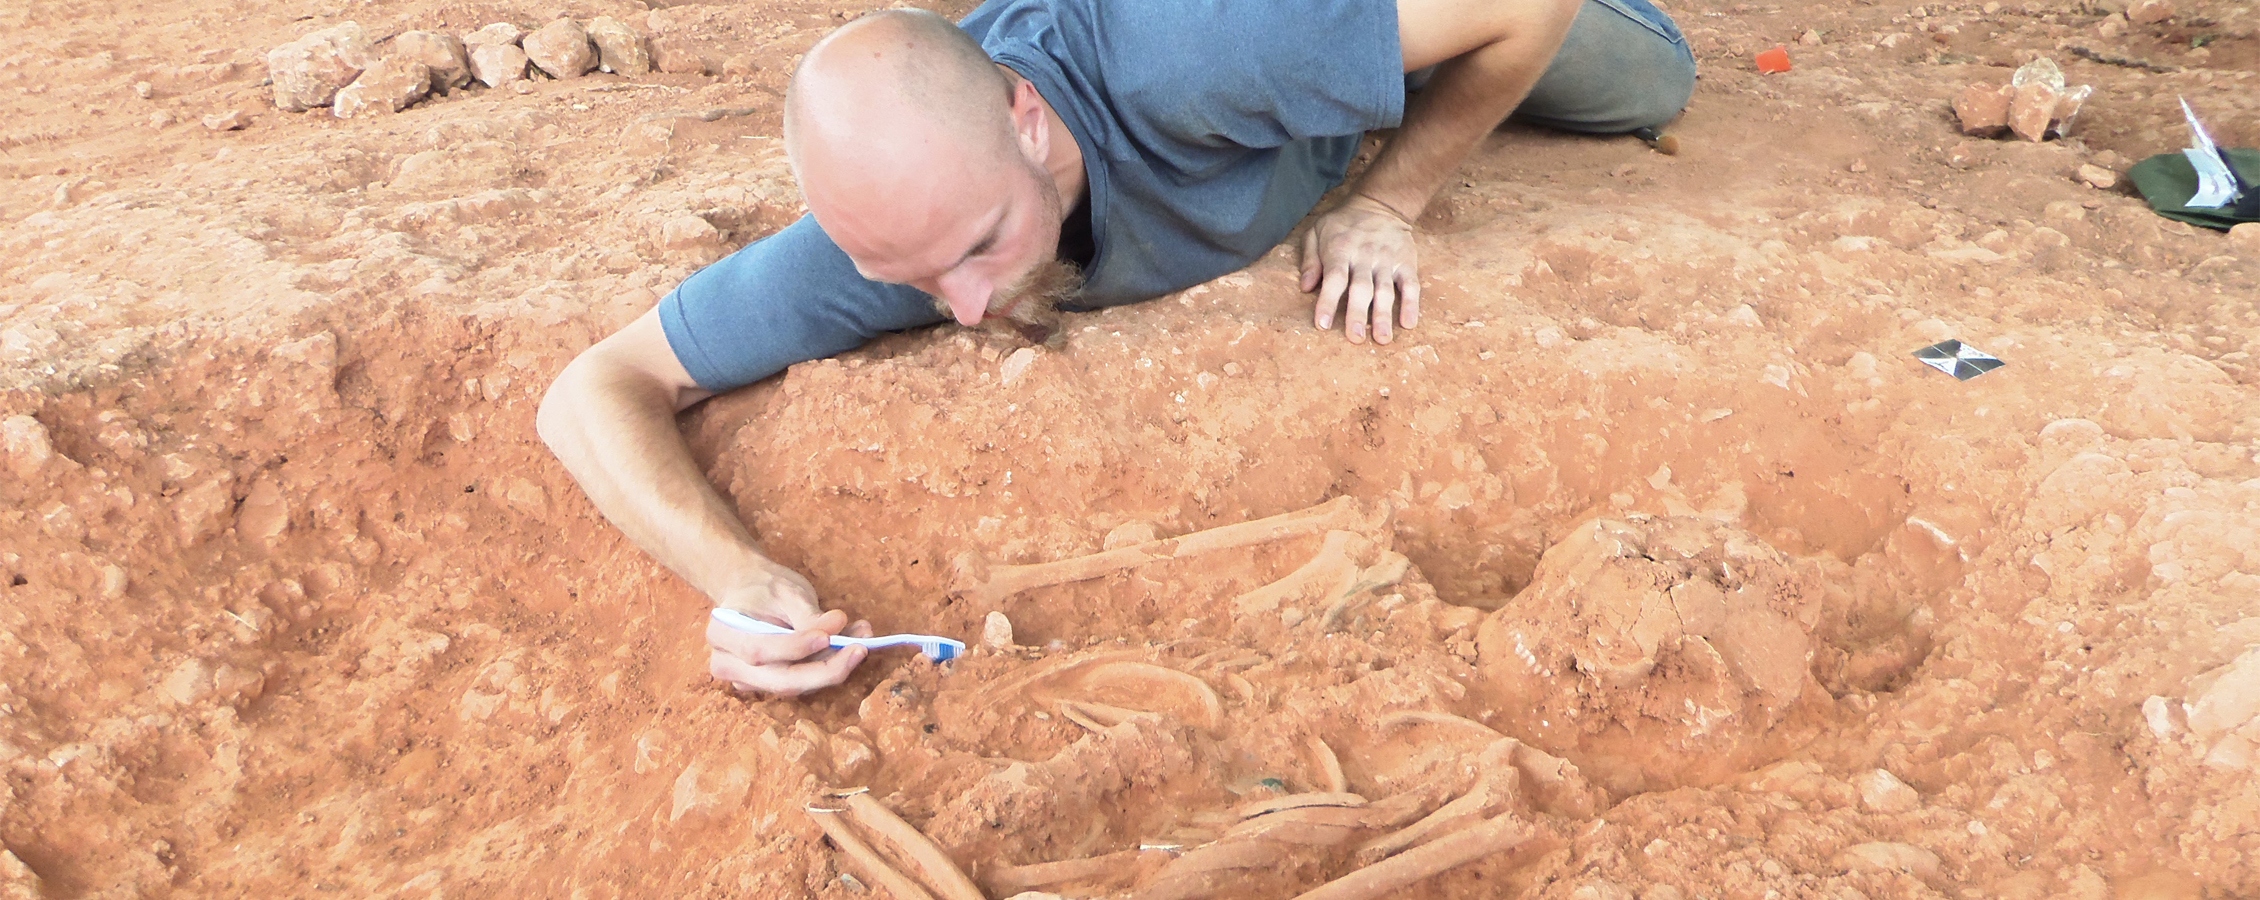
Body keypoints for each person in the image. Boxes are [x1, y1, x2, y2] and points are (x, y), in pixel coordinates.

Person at [537, 0, 1696, 696]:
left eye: (983, 247)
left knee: (1645, 79)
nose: (972, 309)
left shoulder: (1195, 59)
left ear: (1026, 117)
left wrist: (1391, 202)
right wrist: (734, 579)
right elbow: (597, 388)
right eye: (918, 280)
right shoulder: (907, 225)